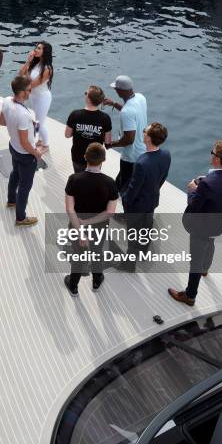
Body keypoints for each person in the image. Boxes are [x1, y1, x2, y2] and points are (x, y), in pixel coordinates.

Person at [168, 139, 222, 306]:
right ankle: (205, 269)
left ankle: (190, 295)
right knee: (211, 242)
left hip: (201, 226)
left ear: (217, 159)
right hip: (219, 223)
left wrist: (193, 189)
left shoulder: (206, 184)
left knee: (195, 259)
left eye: (212, 152)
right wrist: (204, 186)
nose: (211, 154)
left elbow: (194, 205)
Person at [64, 143, 118, 297]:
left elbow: (69, 209)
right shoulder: (110, 182)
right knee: (97, 252)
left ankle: (73, 285)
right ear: (103, 160)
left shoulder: (74, 179)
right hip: (99, 228)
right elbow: (110, 212)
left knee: (78, 254)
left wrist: (81, 232)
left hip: (76, 226)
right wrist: (88, 223)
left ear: (85, 157)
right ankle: (96, 280)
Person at [121, 123, 171, 271]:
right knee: (147, 226)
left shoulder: (142, 162)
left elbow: (133, 189)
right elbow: (162, 178)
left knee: (133, 233)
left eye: (144, 131)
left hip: (137, 205)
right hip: (152, 199)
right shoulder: (166, 154)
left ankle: (129, 264)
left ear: (148, 138)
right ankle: (143, 252)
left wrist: (125, 200)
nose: (142, 133)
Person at [0, 75, 42, 227]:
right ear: (23, 92)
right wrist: (36, 153)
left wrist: (14, 125)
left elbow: (2, 121)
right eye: (29, 90)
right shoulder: (23, 114)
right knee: (25, 186)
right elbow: (25, 142)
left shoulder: (5, 100)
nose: (30, 92)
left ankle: (11, 201)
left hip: (13, 147)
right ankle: (21, 218)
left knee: (15, 175)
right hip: (25, 154)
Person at [104, 75, 147, 210]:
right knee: (122, 180)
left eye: (116, 89)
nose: (115, 91)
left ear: (120, 91)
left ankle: (127, 213)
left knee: (126, 187)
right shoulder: (140, 98)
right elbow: (132, 113)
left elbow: (129, 139)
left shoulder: (127, 111)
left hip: (130, 157)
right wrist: (114, 104)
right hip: (143, 151)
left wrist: (111, 144)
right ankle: (112, 197)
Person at [66, 85, 112, 173]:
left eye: (86, 93)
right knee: (93, 180)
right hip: (96, 158)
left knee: (79, 178)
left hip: (77, 156)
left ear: (88, 98)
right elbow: (107, 141)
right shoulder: (105, 118)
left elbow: (67, 135)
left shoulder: (75, 114)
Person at [19, 41, 53, 150]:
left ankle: (46, 144)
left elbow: (32, 84)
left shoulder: (47, 69)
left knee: (40, 123)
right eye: (36, 48)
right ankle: (40, 140)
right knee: (38, 120)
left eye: (39, 48)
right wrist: (28, 61)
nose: (36, 50)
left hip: (43, 98)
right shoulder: (36, 63)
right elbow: (21, 73)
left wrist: (21, 89)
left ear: (45, 52)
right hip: (34, 96)